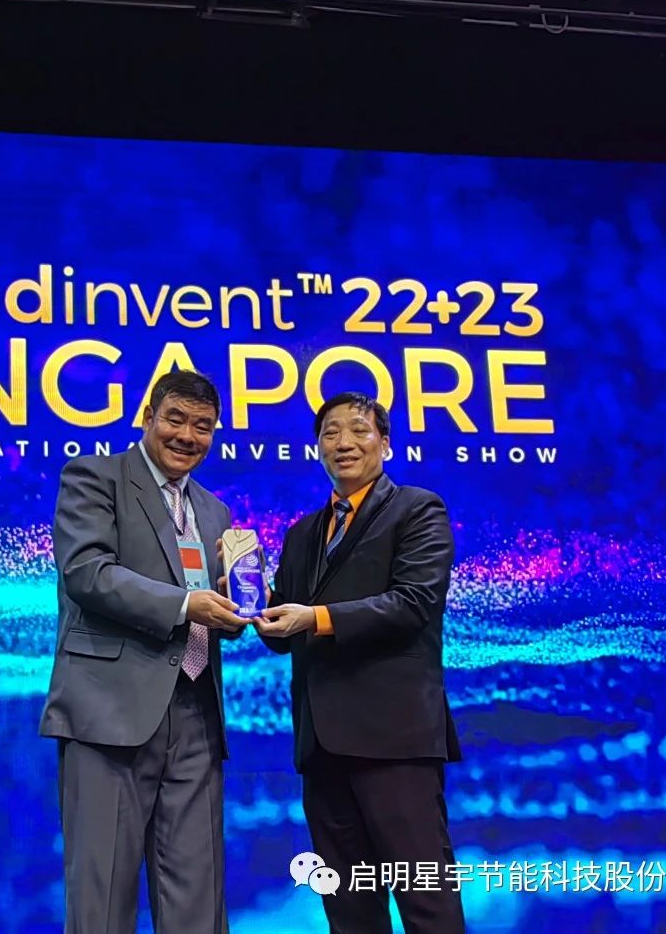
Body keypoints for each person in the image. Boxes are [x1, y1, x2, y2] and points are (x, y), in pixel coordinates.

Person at [40, 369, 252, 934]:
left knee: (198, 898)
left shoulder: (215, 511)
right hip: (110, 714)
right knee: (103, 895)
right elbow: (88, 573)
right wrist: (187, 604)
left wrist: (239, 608)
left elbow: (212, 606)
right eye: (175, 419)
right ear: (148, 417)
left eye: (203, 426)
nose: (187, 435)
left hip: (197, 714)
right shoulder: (95, 477)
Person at [256, 391, 465, 934]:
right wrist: (251, 601)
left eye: (358, 429)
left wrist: (315, 617)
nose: (343, 442)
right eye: (330, 433)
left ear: (385, 444)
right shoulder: (302, 534)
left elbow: (414, 603)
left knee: (426, 900)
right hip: (321, 747)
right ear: (317, 448)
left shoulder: (418, 509)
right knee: (349, 910)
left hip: (394, 740)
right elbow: (286, 636)